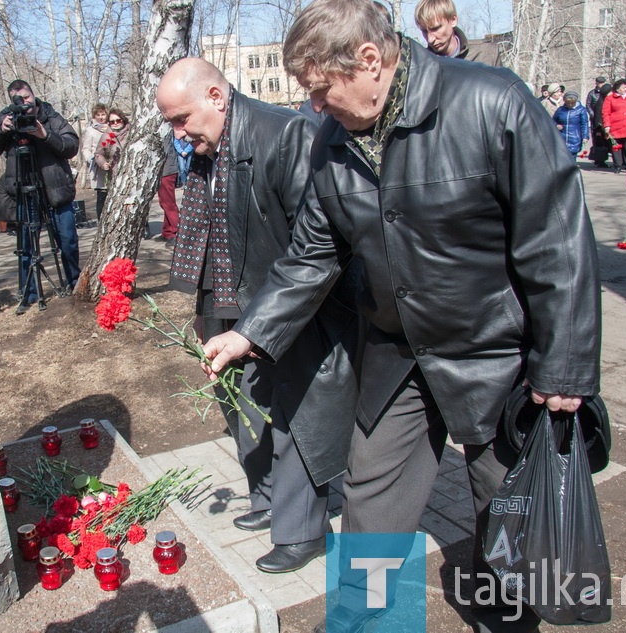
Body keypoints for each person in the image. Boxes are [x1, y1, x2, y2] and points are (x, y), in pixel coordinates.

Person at [200, 1, 600, 630]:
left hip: (495, 353)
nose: (314, 106)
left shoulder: (490, 102)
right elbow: (311, 253)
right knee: (372, 504)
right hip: (396, 355)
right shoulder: (333, 140)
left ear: (368, 60)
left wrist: (566, 365)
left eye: (321, 89)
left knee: (506, 508)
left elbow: (557, 241)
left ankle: (508, 621)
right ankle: (371, 622)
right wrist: (250, 331)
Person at [157, 58, 361, 575]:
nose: (178, 134)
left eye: (182, 119)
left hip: (285, 299)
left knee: (298, 411)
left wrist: (264, 321)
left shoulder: (285, 132)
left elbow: (314, 243)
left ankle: (303, 531)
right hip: (226, 291)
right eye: (172, 124)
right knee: (243, 404)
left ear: (216, 97)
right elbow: (209, 223)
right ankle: (268, 497)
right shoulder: (206, 143)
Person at [0, 80, 80, 312]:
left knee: (67, 240)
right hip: (25, 193)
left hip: (55, 190)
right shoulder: (7, 117)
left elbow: (71, 145)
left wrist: (44, 134)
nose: (23, 103)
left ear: (33, 95)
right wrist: (1, 130)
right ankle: (30, 292)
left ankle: (74, 283)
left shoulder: (50, 116)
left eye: (26, 97)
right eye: (18, 99)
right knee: (26, 246)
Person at [414, 0, 479, 60]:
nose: (430, 39)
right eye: (424, 31)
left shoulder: (483, 53)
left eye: (435, 29)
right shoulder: (421, 63)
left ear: (453, 20)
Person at [82, 103, 109, 217]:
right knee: (102, 196)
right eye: (98, 115)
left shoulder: (112, 128)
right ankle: (101, 224)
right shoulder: (90, 130)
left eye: (103, 114)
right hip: (98, 167)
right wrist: (92, 159)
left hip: (112, 165)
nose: (101, 117)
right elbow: (86, 149)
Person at [156, 132, 180, 243]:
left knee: (168, 203)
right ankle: (168, 232)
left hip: (166, 171)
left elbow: (160, 152)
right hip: (164, 170)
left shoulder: (163, 130)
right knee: (165, 202)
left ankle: (177, 232)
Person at [553, 90, 590, 156]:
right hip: (562, 136)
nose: (570, 105)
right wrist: (556, 125)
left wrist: (585, 136)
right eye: (568, 103)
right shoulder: (560, 110)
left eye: (572, 103)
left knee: (572, 156)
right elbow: (553, 121)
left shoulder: (581, 110)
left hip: (575, 137)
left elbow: (584, 124)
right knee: (562, 156)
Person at [590, 82, 615, 168]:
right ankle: (600, 161)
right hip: (601, 128)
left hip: (603, 127)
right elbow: (598, 116)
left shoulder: (603, 100)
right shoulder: (601, 102)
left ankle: (600, 161)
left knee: (604, 145)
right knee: (602, 145)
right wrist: (599, 129)